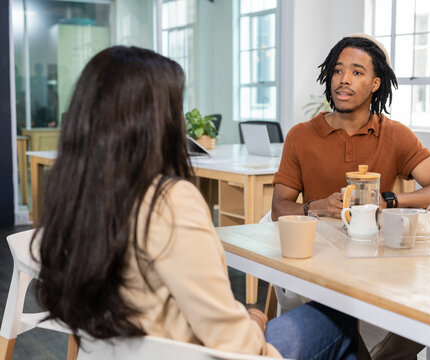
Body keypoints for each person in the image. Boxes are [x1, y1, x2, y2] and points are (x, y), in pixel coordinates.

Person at [31, 45, 365, 360]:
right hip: (200, 352)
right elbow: (234, 344)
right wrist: (254, 323)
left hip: (133, 348)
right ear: (153, 121)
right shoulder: (169, 201)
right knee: (340, 315)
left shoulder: (78, 195)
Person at [271, 35, 430, 359]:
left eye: (357, 72)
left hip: (378, 267)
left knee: (429, 313)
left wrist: (389, 202)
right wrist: (312, 206)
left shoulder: (395, 134)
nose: (344, 79)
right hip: (319, 266)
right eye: (337, 70)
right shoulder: (301, 136)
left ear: (376, 83)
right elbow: (278, 209)